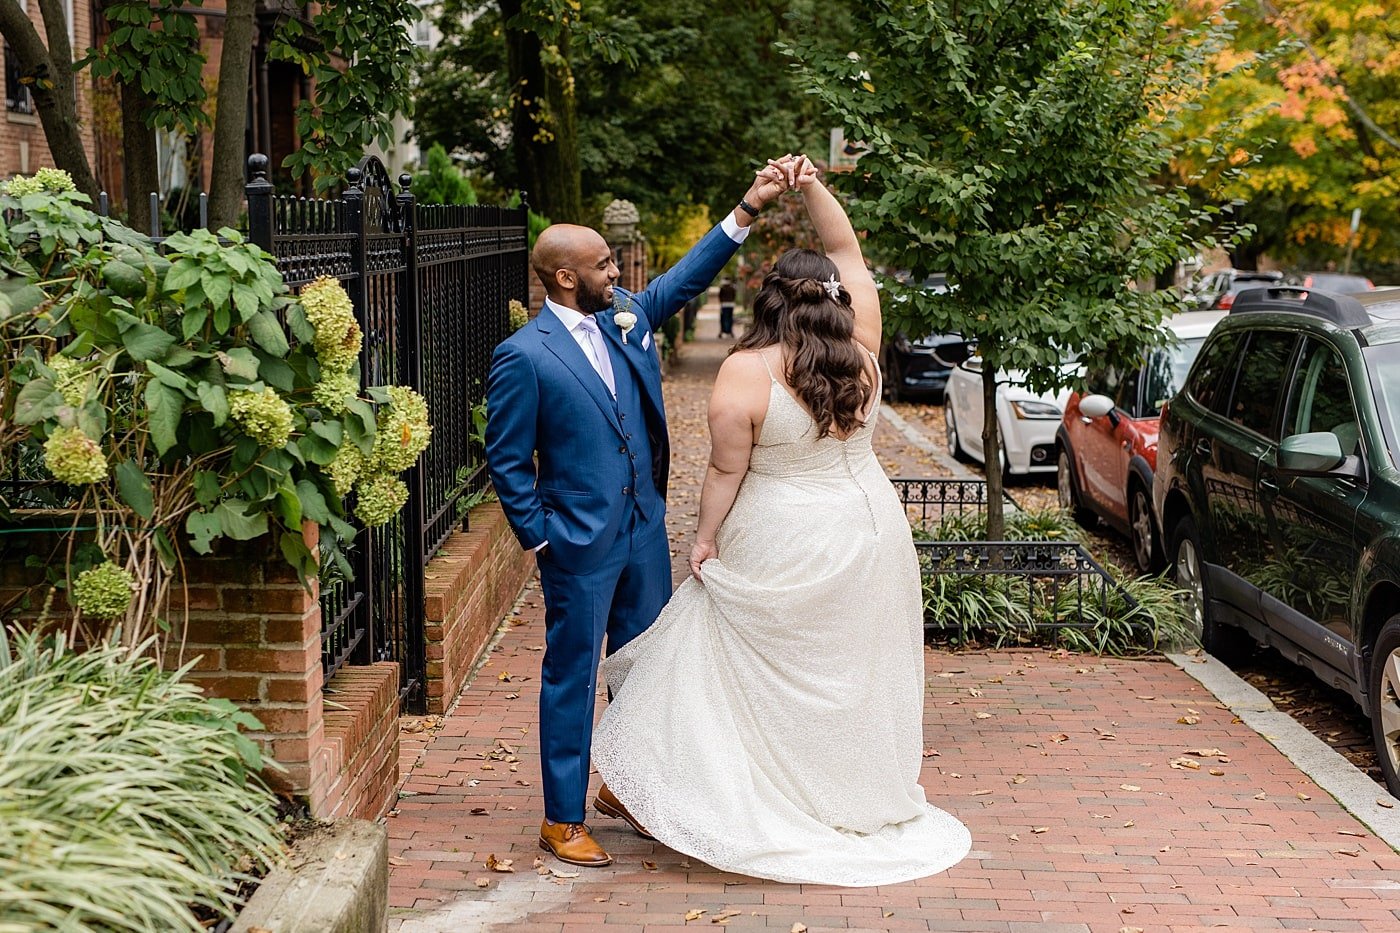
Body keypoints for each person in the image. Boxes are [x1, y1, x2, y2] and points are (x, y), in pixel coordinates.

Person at [590, 155, 972, 886]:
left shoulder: (745, 371)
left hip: (783, 535)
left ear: (768, 299)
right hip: (870, 534)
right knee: (848, 673)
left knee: (746, 666)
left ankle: (733, 792)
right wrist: (812, 184)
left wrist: (703, 539)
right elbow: (848, 249)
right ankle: (843, 796)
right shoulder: (862, 347)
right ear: (832, 298)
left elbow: (726, 471)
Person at [484, 159, 791, 869]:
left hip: (643, 532)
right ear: (565, 278)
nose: (614, 269)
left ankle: (625, 789)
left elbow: (682, 281)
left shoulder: (626, 319)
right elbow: (506, 459)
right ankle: (562, 817)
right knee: (573, 672)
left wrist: (746, 208)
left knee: (647, 668)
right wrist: (540, 537)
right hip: (578, 543)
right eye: (602, 262)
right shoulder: (523, 356)